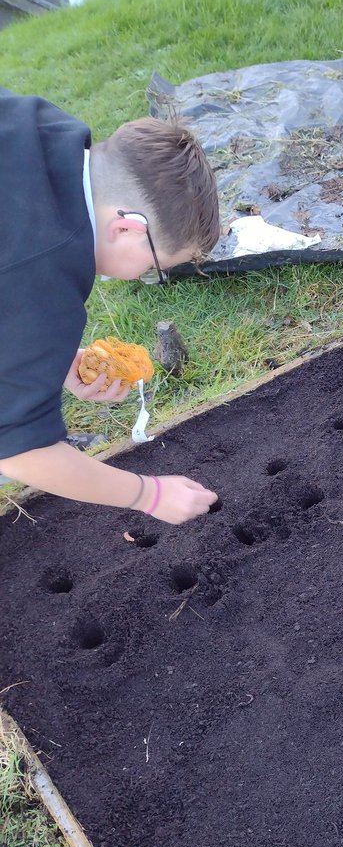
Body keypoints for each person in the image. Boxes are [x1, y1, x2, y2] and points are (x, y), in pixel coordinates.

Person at [0, 88, 221, 523]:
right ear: (126, 228)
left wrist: (37, 361)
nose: (142, 277)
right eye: (152, 266)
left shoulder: (38, 125)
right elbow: (18, 450)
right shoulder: (41, 270)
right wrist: (147, 494)